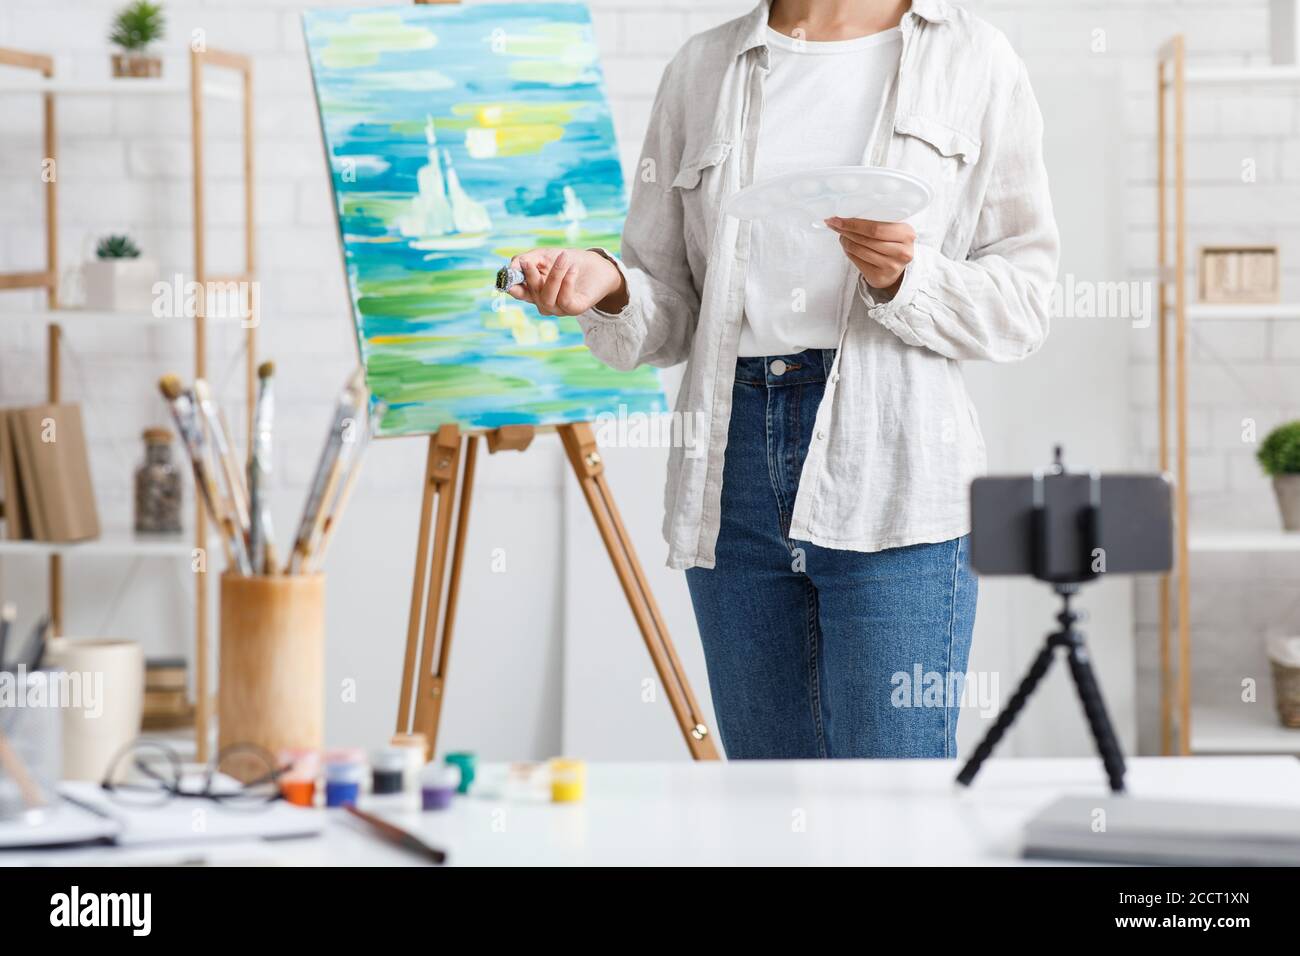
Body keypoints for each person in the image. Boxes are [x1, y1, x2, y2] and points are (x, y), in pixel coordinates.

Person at [506, 0, 1060, 759]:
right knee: (770, 806)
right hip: (728, 472)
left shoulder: (975, 58)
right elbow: (668, 306)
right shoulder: (702, 68)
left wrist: (910, 279)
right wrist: (609, 284)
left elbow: (1025, 303)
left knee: (892, 808)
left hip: (897, 474)